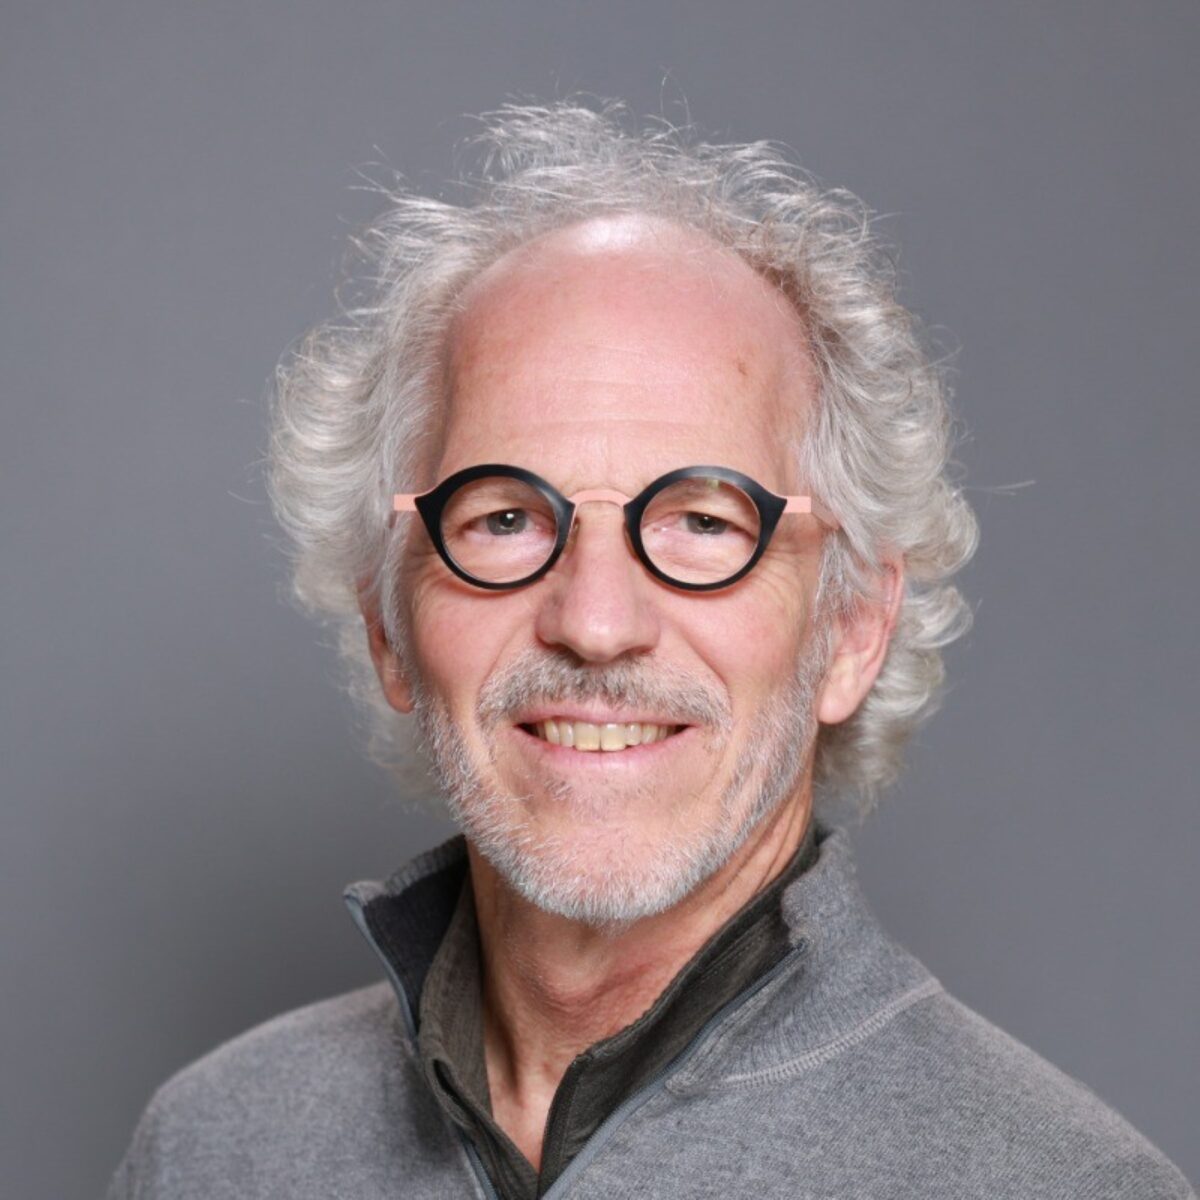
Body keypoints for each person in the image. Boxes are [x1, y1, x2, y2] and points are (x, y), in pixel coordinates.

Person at [107, 101, 1194, 1199]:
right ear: (390, 622)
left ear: (852, 627)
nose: (596, 621)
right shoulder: (216, 1146)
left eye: (703, 524)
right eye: (505, 519)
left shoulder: (1063, 1182)